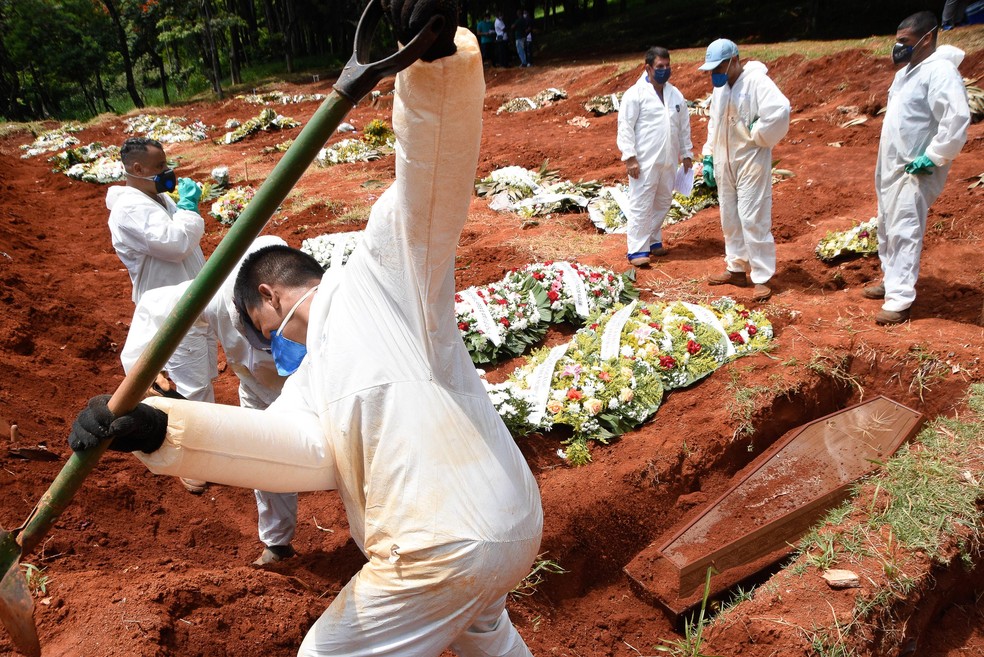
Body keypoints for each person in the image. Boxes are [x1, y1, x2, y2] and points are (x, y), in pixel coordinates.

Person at [69, 8, 544, 656]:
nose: (265, 346)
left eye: (259, 329)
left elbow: (427, 188)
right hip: (505, 524)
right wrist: (156, 424)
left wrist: (435, 68)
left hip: (440, 537)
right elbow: (283, 447)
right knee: (485, 638)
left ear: (269, 295)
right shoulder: (315, 374)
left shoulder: (384, 277)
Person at [120, 236, 302, 565]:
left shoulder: (325, 300)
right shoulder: (217, 297)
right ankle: (277, 545)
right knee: (265, 460)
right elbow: (152, 309)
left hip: (315, 383)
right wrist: (143, 372)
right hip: (257, 387)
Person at [109, 136, 215, 494]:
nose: (168, 173)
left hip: (188, 300)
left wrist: (181, 206)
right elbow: (174, 244)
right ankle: (194, 462)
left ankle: (200, 446)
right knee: (193, 385)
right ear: (136, 170)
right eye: (160, 168)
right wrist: (189, 208)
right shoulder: (129, 210)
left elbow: (185, 245)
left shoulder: (157, 197)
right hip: (170, 307)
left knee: (197, 378)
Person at [865, 11, 970, 325]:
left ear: (927, 38)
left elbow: (955, 119)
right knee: (886, 225)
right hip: (891, 163)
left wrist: (935, 155)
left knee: (905, 228)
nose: (898, 48)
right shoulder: (905, 73)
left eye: (905, 42)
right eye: (897, 41)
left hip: (916, 165)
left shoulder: (940, 72)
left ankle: (899, 301)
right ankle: (891, 279)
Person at [699, 38, 790, 302]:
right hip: (724, 161)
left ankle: (762, 276)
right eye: (712, 70)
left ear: (734, 61)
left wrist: (759, 133)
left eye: (719, 68)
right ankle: (736, 268)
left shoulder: (756, 82)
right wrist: (708, 155)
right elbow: (714, 124)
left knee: (753, 217)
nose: (715, 74)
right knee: (729, 218)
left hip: (750, 159)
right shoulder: (720, 89)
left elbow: (780, 110)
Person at [616, 46, 693, 267]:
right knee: (641, 203)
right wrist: (630, 157)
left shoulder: (675, 94)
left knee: (663, 200)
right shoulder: (635, 95)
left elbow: (683, 126)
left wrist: (687, 153)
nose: (665, 70)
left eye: (668, 66)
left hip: (669, 159)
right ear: (648, 68)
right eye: (660, 67)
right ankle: (637, 250)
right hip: (644, 160)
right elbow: (625, 127)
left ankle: (653, 240)